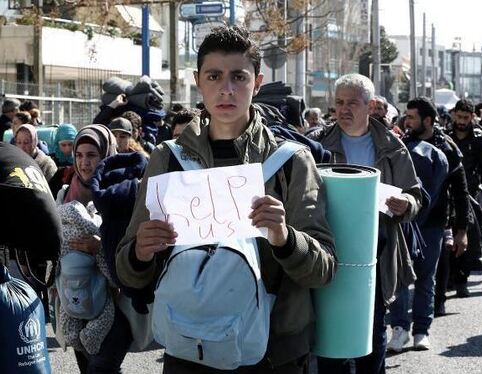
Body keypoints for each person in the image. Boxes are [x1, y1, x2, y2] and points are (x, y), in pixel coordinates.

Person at [116, 25, 336, 373]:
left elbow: (323, 269)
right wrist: (140, 253)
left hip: (272, 352)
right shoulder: (168, 158)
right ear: (198, 81)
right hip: (189, 345)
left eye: (239, 77)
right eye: (215, 76)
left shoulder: (291, 161)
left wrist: (284, 238)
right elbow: (128, 272)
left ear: (258, 83)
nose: (227, 89)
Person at [310, 74, 421, 374]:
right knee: (331, 343)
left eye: (352, 103)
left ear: (370, 106)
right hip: (328, 254)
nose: (344, 110)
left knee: (372, 337)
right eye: (339, 103)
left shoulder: (392, 146)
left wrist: (407, 205)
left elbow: (415, 193)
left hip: (374, 256)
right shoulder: (317, 145)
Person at [388, 97, 469, 352]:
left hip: (433, 226)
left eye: (412, 117)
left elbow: (460, 192)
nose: (407, 121)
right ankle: (400, 329)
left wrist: (461, 231)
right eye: (406, 116)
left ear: (428, 120)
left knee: (426, 279)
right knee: (400, 278)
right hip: (402, 224)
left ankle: (422, 330)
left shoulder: (448, 149)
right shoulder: (401, 145)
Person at [55, 124, 134, 373]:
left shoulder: (124, 193)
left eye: (92, 155)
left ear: (106, 155)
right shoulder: (66, 194)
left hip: (117, 301)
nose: (84, 163)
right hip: (76, 299)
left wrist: (102, 246)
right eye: (79, 155)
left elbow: (133, 243)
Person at [447, 99, 482, 279]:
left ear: (472, 117)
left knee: (470, 235)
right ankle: (450, 276)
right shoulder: (445, 136)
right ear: (454, 115)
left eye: (466, 118)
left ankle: (462, 276)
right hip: (448, 194)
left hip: (472, 194)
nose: (462, 121)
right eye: (459, 117)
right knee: (449, 236)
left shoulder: (480, 139)